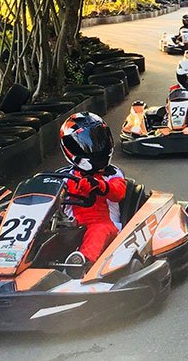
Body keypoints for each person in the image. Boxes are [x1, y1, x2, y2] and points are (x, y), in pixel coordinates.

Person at [58, 112, 127, 266]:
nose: (96, 148)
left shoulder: (112, 173)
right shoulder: (64, 176)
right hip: (69, 226)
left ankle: (82, 265)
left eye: (99, 141)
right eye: (87, 143)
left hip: (105, 225)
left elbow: (118, 192)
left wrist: (99, 185)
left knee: (98, 231)